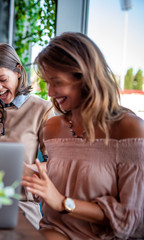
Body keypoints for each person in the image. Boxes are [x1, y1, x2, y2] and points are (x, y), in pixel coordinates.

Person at [22, 32, 144, 239]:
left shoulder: (129, 130)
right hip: (54, 231)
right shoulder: (52, 127)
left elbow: (129, 219)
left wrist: (62, 202)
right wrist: (33, 178)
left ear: (85, 78)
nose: (50, 92)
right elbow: (72, 177)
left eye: (56, 82)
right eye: (46, 82)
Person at [0, 43, 54, 229]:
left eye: (2, 79)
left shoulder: (42, 109)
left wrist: (22, 169)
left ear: (18, 72)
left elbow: (55, 165)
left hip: (20, 202)